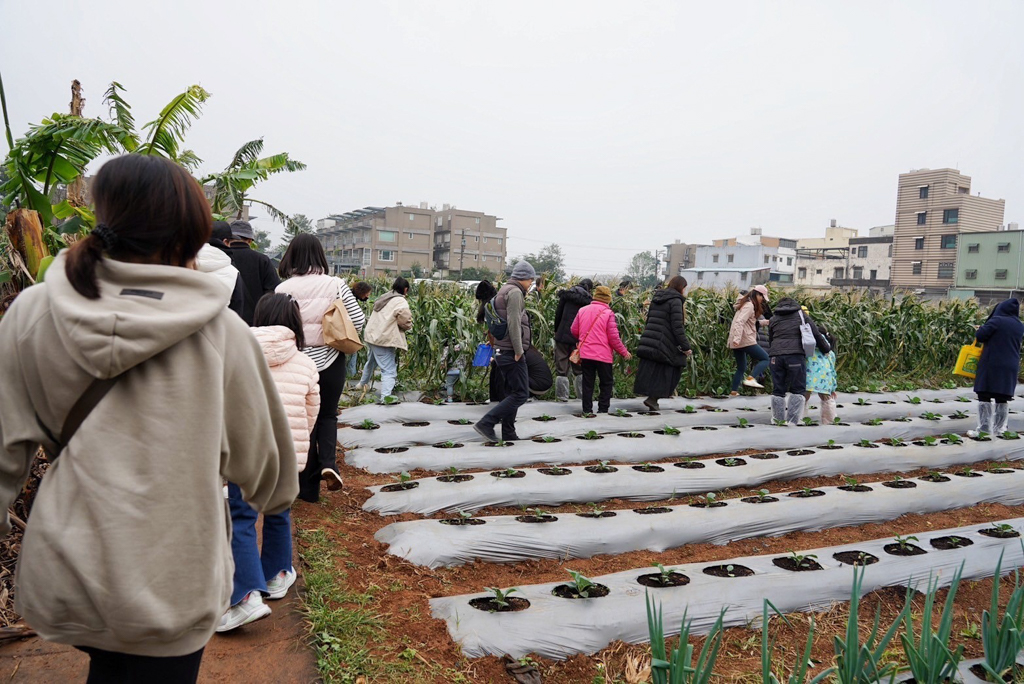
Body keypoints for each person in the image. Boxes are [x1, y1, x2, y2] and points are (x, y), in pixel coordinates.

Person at [0, 154, 297, 682]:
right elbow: (268, 475)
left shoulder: (32, 314)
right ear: (191, 232)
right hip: (172, 585)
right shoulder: (223, 335)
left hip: (70, 572)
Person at [219, 293, 319, 633]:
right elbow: (311, 412)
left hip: (244, 451)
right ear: (295, 324)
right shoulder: (305, 364)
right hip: (287, 453)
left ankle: (246, 595)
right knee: (279, 513)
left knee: (242, 518)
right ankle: (277, 576)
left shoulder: (235, 355)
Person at [276, 234, 365, 501]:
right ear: (320, 255)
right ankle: (329, 463)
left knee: (306, 421)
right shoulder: (335, 284)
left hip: (297, 362)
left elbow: (278, 327)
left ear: (291, 255)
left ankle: (307, 490)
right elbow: (358, 320)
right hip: (331, 359)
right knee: (327, 415)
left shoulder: (283, 289)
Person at [474, 261, 536, 442]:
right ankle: (487, 422)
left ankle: (509, 432)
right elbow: (514, 322)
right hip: (511, 351)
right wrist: (519, 350)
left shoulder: (504, 290)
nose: (531, 283)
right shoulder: (515, 293)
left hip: (501, 349)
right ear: (523, 277)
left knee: (512, 392)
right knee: (521, 393)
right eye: (530, 279)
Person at [767, 298, 831, 425]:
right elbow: (816, 334)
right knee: (797, 388)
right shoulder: (801, 315)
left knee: (778, 389)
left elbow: (771, 339)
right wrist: (826, 348)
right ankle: (792, 421)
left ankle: (778, 421)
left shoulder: (774, 319)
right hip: (795, 356)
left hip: (776, 357)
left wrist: (775, 352)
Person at [570, 285, 631, 414]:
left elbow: (574, 329)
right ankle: (603, 410)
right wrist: (624, 352)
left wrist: (584, 338)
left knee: (587, 383)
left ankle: (587, 410)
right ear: (608, 299)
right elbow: (614, 338)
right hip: (603, 356)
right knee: (606, 383)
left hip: (586, 354)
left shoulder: (583, 310)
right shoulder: (608, 313)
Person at [634, 276, 692, 411]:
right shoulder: (676, 301)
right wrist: (685, 346)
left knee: (654, 369)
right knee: (673, 366)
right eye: (684, 287)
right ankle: (653, 399)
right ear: (680, 287)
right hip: (664, 341)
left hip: (651, 338)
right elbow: (677, 327)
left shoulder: (657, 298)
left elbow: (649, 320)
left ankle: (652, 398)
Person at [968, 298, 1024, 437]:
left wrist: (980, 328)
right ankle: (1000, 430)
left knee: (984, 395)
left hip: (993, 364)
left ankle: (984, 430)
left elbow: (981, 336)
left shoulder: (997, 321)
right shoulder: (1019, 325)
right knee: (1002, 396)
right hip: (1010, 365)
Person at [357, 277, 413, 402]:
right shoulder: (400, 301)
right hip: (383, 339)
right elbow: (405, 321)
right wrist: (408, 327)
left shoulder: (385, 297)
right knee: (389, 370)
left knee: (371, 362)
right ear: (405, 289)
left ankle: (361, 385)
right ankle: (385, 398)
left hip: (372, 336)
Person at [226, 219, 280, 325]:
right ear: (250, 240)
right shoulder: (262, 260)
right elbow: (273, 291)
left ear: (228, 239)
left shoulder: (222, 258)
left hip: (226, 323)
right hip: (255, 323)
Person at [553, 279, 593, 402]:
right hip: (578, 337)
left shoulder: (566, 296)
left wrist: (557, 330)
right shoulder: (588, 301)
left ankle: (562, 396)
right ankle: (582, 396)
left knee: (561, 366)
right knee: (579, 366)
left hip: (563, 335)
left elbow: (558, 314)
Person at [728, 284, 771, 395]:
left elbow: (749, 323)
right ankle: (751, 378)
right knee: (765, 358)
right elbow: (740, 322)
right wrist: (737, 339)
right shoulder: (749, 306)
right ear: (757, 294)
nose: (762, 300)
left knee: (742, 367)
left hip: (738, 339)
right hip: (744, 339)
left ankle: (734, 391)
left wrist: (766, 322)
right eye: (762, 297)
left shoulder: (745, 304)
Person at [195, 222, 245, 317]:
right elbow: (236, 313)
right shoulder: (233, 273)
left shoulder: (182, 264)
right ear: (225, 242)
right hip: (219, 328)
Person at [804, 324, 838, 425]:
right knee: (827, 399)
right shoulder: (829, 352)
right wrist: (833, 387)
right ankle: (830, 422)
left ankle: (799, 421)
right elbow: (832, 370)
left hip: (807, 378)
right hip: (825, 379)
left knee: (803, 398)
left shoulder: (807, 349)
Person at [345, 281, 372, 385]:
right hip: (348, 332)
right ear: (362, 292)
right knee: (352, 352)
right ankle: (350, 376)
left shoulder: (352, 297)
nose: (367, 296)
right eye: (367, 294)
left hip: (350, 331)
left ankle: (350, 375)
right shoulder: (350, 299)